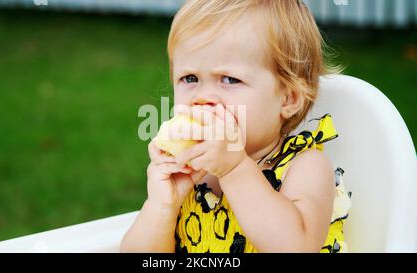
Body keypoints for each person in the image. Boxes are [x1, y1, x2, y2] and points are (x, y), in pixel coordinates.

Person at [120, 0, 351, 253]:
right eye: (190, 78)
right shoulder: (193, 172)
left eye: (229, 79)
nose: (202, 96)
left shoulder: (305, 167)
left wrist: (234, 170)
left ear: (288, 99)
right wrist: (163, 205)